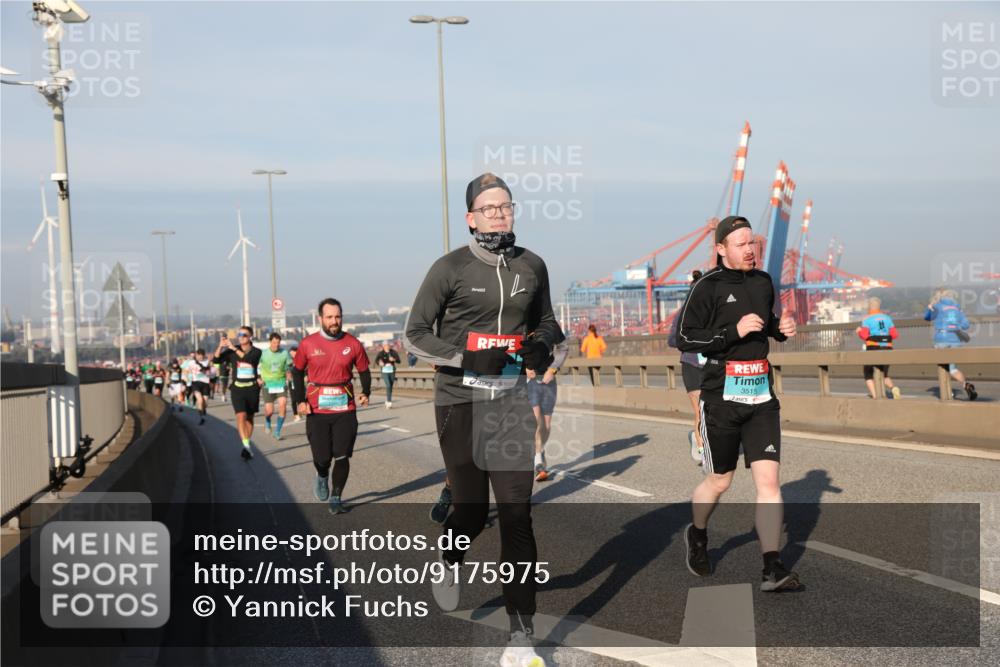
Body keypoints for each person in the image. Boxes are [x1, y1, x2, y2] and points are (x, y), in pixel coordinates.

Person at [404, 172, 564, 666]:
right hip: (460, 403)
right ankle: (449, 557)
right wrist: (465, 358)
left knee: (517, 514)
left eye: (506, 206)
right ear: (471, 217)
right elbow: (414, 334)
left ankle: (521, 638)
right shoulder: (449, 268)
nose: (498, 214)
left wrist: (542, 344)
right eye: (488, 208)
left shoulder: (532, 265)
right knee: (471, 512)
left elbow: (548, 322)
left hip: (511, 403)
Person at [677, 215, 801, 592]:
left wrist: (781, 329)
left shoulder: (762, 281)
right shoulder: (707, 286)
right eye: (741, 244)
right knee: (720, 480)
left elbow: (766, 323)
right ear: (721, 249)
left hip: (761, 395)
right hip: (721, 397)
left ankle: (772, 567)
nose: (750, 250)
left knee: (769, 481)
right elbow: (685, 339)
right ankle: (698, 533)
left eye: (753, 243)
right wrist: (732, 331)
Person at [291, 298, 371, 515]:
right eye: (329, 317)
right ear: (321, 319)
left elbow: (364, 370)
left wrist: (366, 392)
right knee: (322, 458)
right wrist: (299, 401)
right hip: (317, 410)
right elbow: (297, 372)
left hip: (345, 409)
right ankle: (322, 474)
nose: (334, 321)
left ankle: (336, 497)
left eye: (337, 316)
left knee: (342, 455)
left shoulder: (353, 343)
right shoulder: (308, 344)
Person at [669, 270, 708, 464]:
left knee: (716, 410)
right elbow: (672, 340)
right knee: (701, 410)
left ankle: (700, 438)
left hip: (714, 366)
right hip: (692, 365)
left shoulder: (716, 311)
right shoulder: (682, 314)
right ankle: (701, 449)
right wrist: (691, 341)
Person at [213, 326, 263, 460]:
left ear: (250, 336)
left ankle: (246, 444)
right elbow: (216, 360)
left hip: (252, 389)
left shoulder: (256, 351)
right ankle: (246, 446)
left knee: (250, 418)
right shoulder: (232, 350)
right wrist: (220, 346)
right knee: (241, 415)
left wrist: (234, 348)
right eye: (239, 334)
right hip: (237, 389)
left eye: (244, 335)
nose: (241, 337)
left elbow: (248, 360)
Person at [925, 288, 977, 400]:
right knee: (952, 368)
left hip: (941, 339)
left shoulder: (938, 306)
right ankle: (966, 385)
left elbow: (928, 318)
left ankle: (948, 392)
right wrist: (955, 326)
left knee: (943, 367)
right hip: (955, 339)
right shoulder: (957, 308)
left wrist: (929, 309)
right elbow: (966, 325)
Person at [857, 297, 901, 399]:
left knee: (868, 373)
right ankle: (893, 388)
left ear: (869, 307)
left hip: (873, 347)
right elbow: (894, 335)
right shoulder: (887, 318)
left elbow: (864, 336)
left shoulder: (867, 319)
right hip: (887, 347)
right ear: (879, 306)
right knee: (884, 373)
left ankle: (875, 396)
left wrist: (859, 331)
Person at [260, 332, 294, 440]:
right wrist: (258, 377)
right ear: (270, 342)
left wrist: (289, 372)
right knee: (269, 411)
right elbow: (256, 365)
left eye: (278, 343)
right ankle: (267, 421)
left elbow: (289, 365)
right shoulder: (263, 354)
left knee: (283, 405)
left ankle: (277, 432)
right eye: (274, 342)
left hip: (281, 383)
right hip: (268, 384)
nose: (276, 345)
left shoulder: (284, 353)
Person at [185, 349, 213, 425]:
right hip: (195, 383)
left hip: (205, 383)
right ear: (196, 355)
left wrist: (208, 372)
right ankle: (201, 418)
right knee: (200, 400)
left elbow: (211, 372)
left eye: (201, 356)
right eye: (198, 356)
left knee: (205, 402)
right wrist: (187, 378)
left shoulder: (207, 362)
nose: (200, 357)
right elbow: (186, 370)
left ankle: (203, 410)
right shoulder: (191, 362)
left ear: (204, 355)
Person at [375, 341, 402, 409]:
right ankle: (389, 402)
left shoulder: (393, 352)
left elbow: (399, 361)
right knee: (388, 385)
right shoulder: (381, 353)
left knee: (390, 386)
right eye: (386, 345)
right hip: (384, 371)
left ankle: (387, 400)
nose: (387, 347)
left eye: (388, 345)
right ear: (383, 346)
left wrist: (394, 359)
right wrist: (380, 363)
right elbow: (376, 360)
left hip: (392, 371)